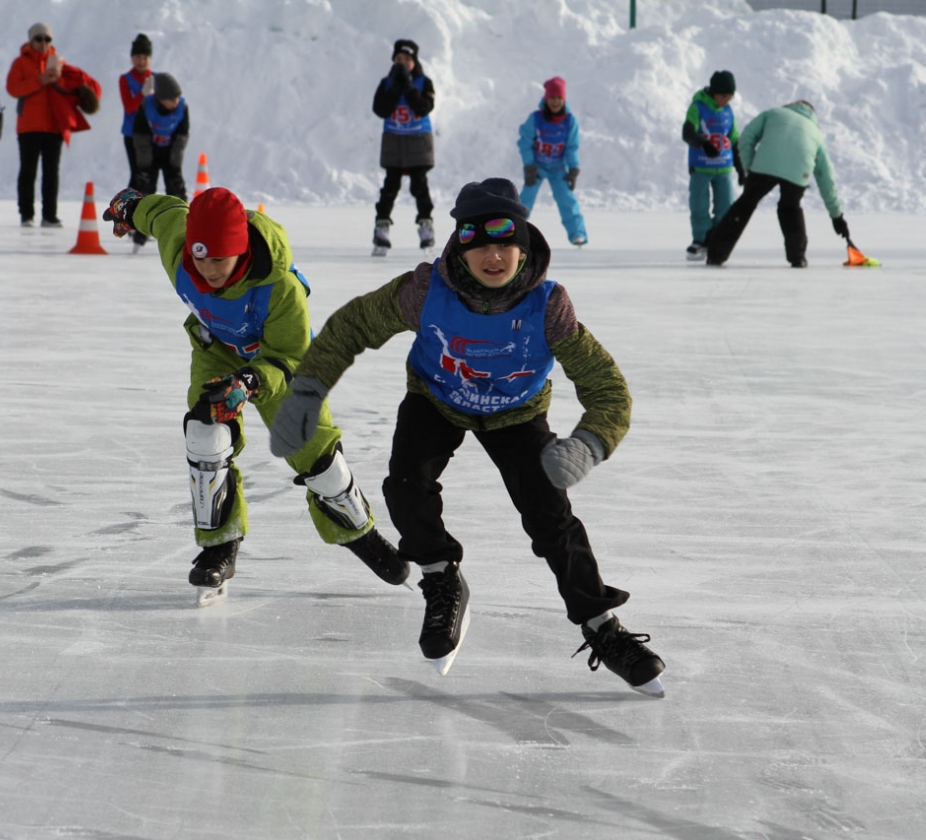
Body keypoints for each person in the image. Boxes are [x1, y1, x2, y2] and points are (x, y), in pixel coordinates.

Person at [268, 178, 667, 696]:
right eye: (479, 245)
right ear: (460, 246)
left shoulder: (549, 308)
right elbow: (352, 326)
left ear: (523, 248)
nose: (493, 257)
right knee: (406, 485)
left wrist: (589, 443)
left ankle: (601, 627)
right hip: (435, 401)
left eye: (505, 244)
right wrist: (306, 392)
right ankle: (441, 578)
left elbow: (607, 388)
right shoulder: (424, 291)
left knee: (552, 521)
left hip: (518, 415)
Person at [99, 185, 410, 604]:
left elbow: (291, 357)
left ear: (242, 252)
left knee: (321, 463)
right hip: (217, 352)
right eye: (199, 257)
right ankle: (219, 546)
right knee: (206, 436)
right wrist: (131, 206)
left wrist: (249, 384)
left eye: (219, 261)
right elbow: (163, 211)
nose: (207, 270)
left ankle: (360, 533)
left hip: (279, 363)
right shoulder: (179, 245)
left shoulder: (280, 289)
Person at [705, 99, 849, 267]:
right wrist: (836, 216)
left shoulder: (773, 114)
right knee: (790, 207)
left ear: (791, 105)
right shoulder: (815, 133)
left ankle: (716, 254)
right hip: (798, 170)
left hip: (766, 164)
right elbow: (827, 178)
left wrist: (750, 168)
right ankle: (798, 257)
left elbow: (746, 137)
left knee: (745, 204)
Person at [6, 23, 102, 227]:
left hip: (54, 126)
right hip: (29, 127)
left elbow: (73, 89)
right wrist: (40, 80)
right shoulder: (20, 63)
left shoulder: (59, 64)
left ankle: (49, 215)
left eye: (47, 39)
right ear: (30, 41)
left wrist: (59, 79)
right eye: (38, 39)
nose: (43, 43)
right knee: (28, 171)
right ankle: (26, 214)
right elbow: (13, 89)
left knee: (51, 173)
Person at [371, 39, 436, 255]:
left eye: (407, 59)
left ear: (414, 62)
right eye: (398, 58)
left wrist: (408, 88)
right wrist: (396, 88)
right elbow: (380, 109)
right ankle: (382, 227)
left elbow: (424, 107)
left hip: (418, 138)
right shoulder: (386, 83)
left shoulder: (424, 82)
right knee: (390, 186)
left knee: (420, 185)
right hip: (395, 139)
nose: (402, 62)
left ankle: (426, 225)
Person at [682, 70, 745, 261]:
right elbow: (687, 133)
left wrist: (741, 169)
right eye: (723, 96)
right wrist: (703, 143)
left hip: (723, 168)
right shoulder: (698, 107)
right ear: (714, 92)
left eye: (730, 97)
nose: (726, 100)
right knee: (699, 205)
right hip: (701, 167)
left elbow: (734, 140)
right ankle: (701, 239)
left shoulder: (727, 112)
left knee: (725, 207)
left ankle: (717, 239)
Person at [518, 76, 587, 247]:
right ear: (546, 99)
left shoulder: (570, 121)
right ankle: (514, 230)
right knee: (525, 199)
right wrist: (529, 166)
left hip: (557, 168)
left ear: (564, 99)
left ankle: (577, 233)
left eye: (559, 98)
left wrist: (573, 168)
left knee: (567, 199)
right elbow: (525, 142)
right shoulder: (535, 118)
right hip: (538, 167)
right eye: (552, 98)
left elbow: (571, 147)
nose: (555, 102)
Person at [130, 72, 189, 249]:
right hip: (150, 152)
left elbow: (182, 135)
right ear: (161, 98)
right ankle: (140, 234)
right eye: (171, 99)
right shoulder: (146, 105)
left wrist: (175, 162)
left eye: (177, 97)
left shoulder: (182, 108)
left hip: (171, 154)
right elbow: (140, 135)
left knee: (177, 191)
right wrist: (145, 164)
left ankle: (185, 230)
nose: (175, 102)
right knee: (145, 192)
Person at [119, 33, 155, 191]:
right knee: (137, 175)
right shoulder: (125, 79)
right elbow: (129, 107)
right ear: (132, 58)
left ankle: (145, 210)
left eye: (145, 57)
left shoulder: (155, 78)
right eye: (138, 57)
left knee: (150, 176)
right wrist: (143, 94)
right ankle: (124, 210)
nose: (141, 61)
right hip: (132, 134)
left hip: (151, 133)